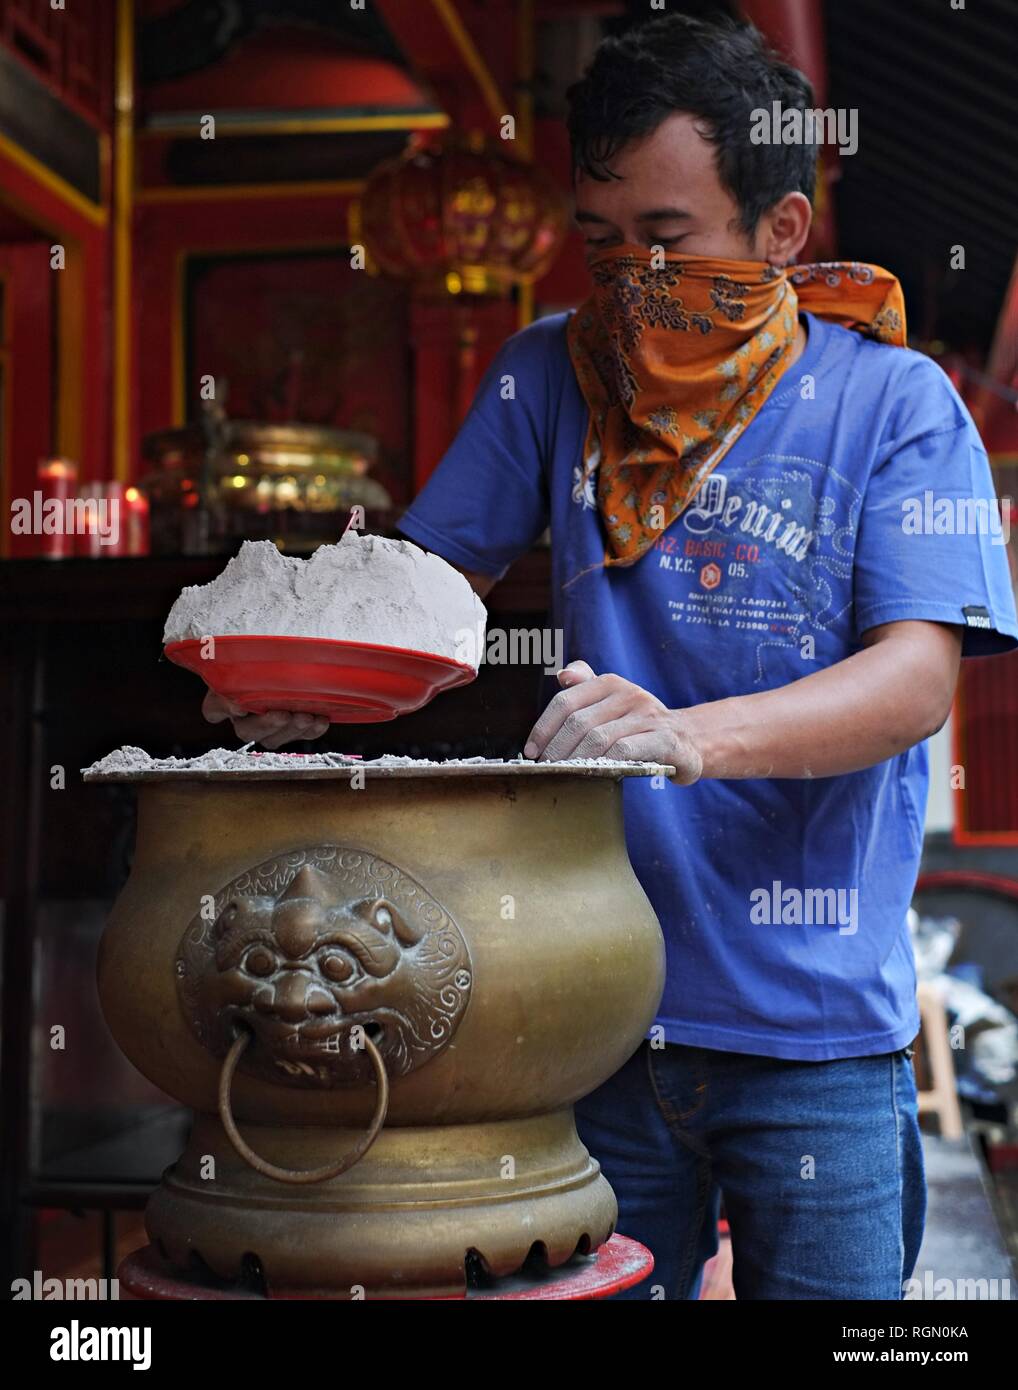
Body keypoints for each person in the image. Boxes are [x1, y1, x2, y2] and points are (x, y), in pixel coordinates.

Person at [203, 14, 1018, 1299]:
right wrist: (309, 674)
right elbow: (423, 592)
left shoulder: (896, 403)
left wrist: (689, 737)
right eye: (601, 241)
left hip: (814, 1036)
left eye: (666, 239)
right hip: (587, 1015)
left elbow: (914, 683)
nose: (630, 276)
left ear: (783, 231)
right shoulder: (550, 374)